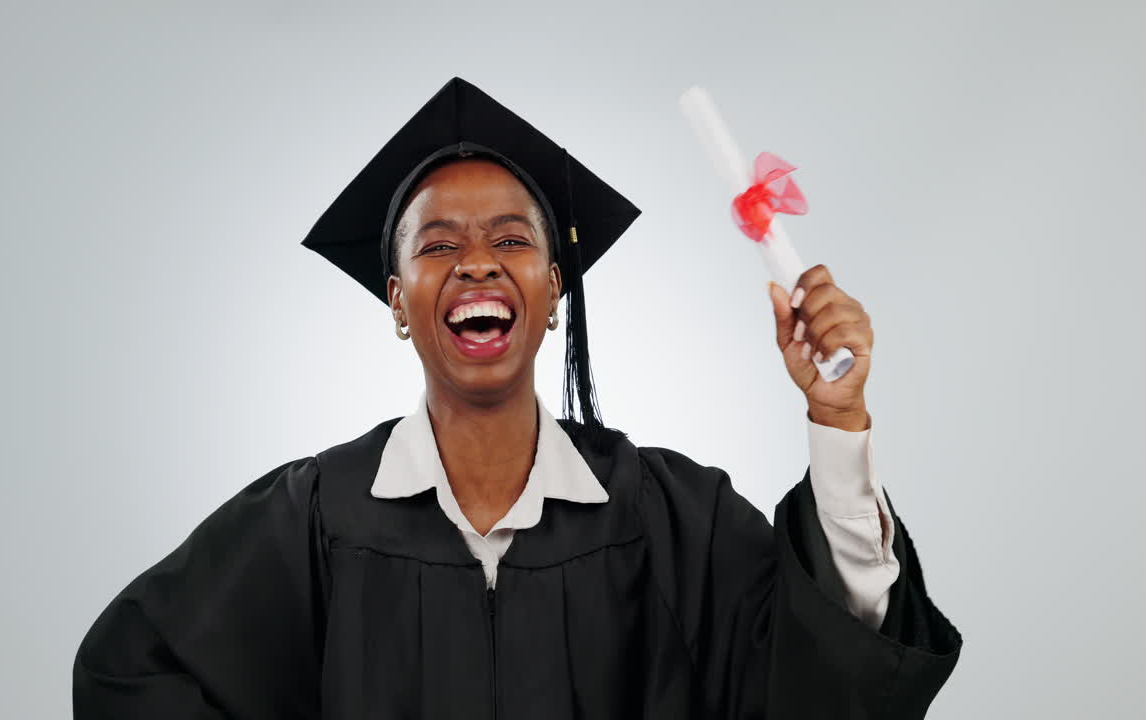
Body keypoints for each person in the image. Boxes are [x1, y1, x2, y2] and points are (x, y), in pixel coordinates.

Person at [72, 77, 962, 719]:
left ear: (553, 290)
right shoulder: (316, 518)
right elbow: (131, 671)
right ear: (397, 302)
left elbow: (834, 669)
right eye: (437, 245)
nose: (477, 263)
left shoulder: (667, 519)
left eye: (511, 239)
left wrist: (837, 421)